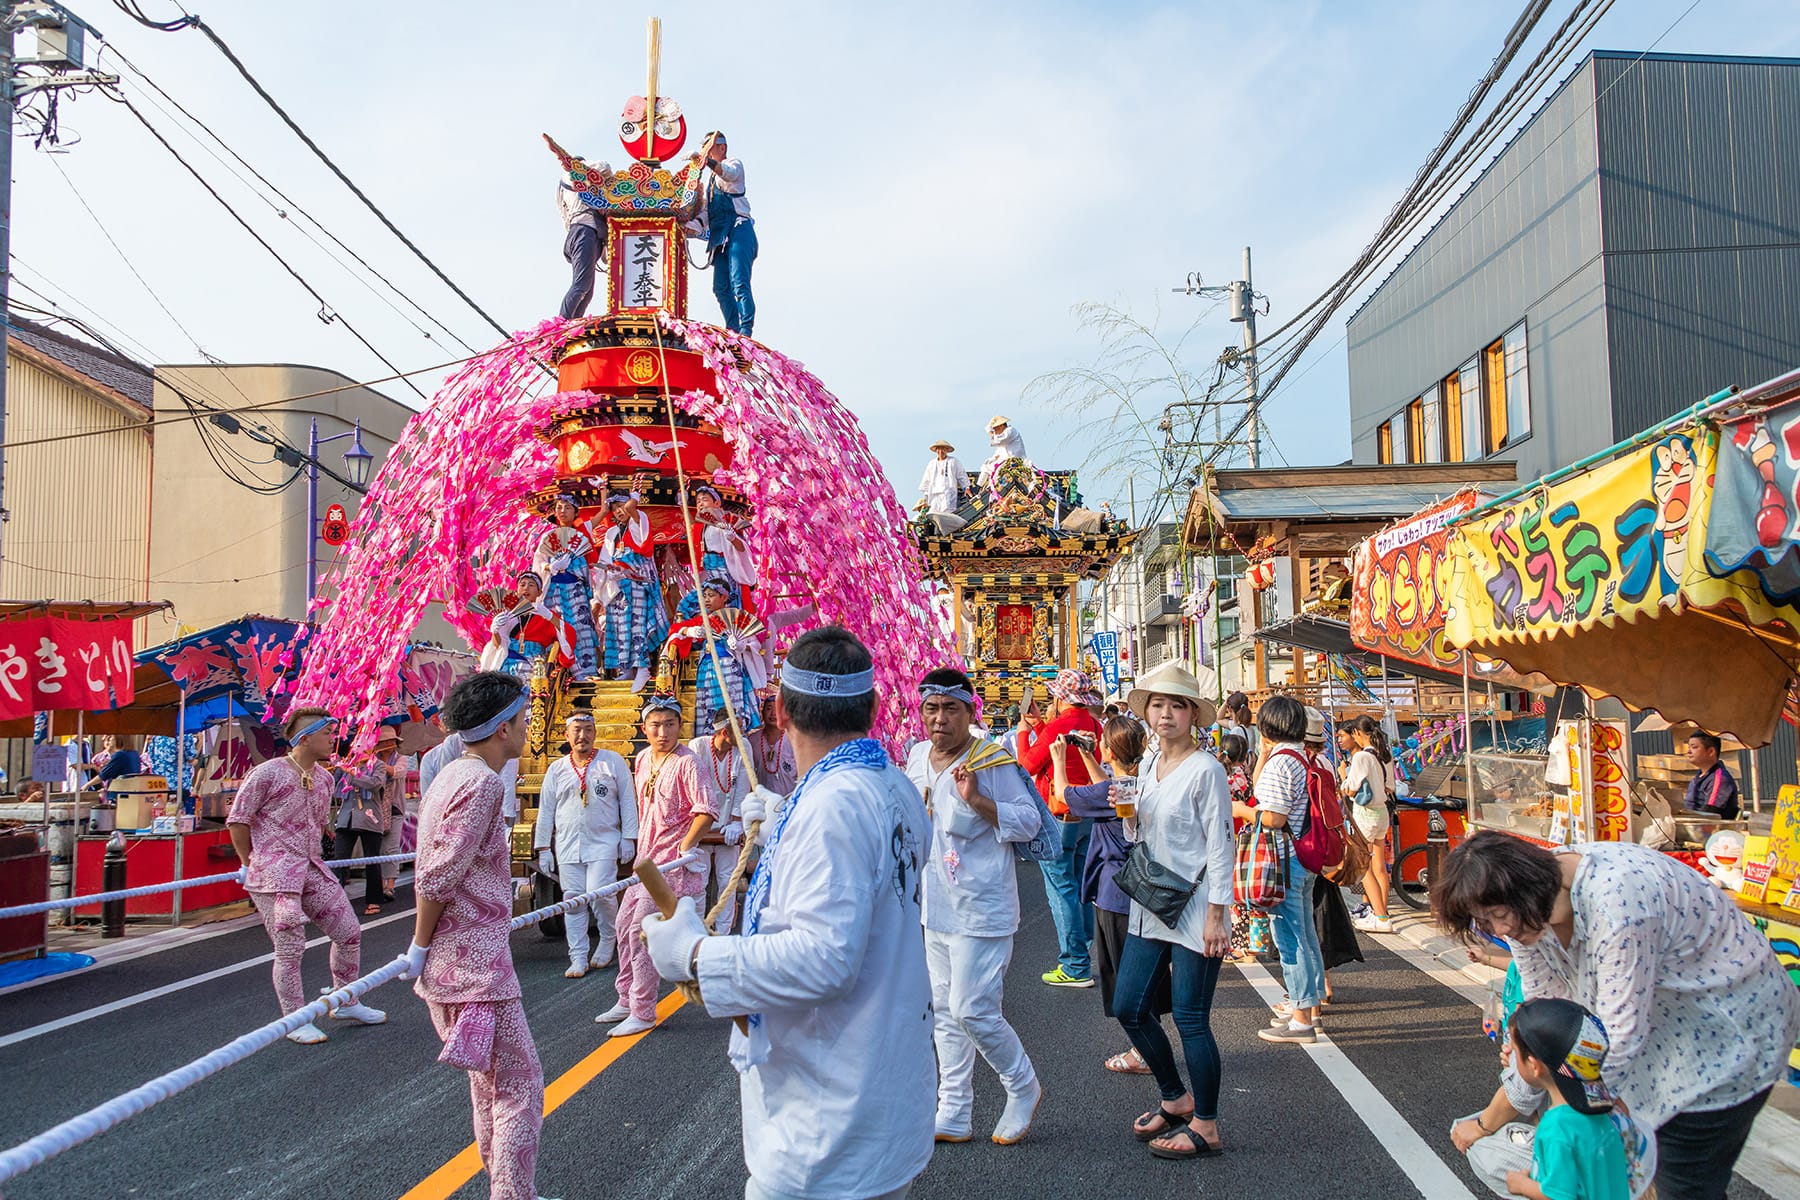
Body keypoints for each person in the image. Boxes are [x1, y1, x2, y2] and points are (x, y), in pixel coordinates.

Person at [639, 626, 936, 1200]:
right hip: (880, 1089)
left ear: (777, 709)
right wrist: (785, 820)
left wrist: (695, 955)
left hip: (829, 1120)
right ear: (873, 707)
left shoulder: (832, 804)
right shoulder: (893, 785)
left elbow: (825, 960)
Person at [1439, 832, 1800, 1200]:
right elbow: (1550, 1025)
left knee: (1684, 1174)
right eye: (1485, 922)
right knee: (1642, 1163)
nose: (1501, 932)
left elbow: (1613, 1040)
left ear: (1525, 887)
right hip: (1662, 1040)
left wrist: (1530, 1118)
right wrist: (1509, 1099)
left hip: (1724, 1039)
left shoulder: (1619, 903)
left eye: (1499, 917)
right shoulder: (1523, 904)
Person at [394, 671, 548, 1200]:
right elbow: (439, 874)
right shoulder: (481, 782)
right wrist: (417, 943)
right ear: (503, 727)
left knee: (490, 1090)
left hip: (456, 965)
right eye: (523, 718)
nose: (529, 726)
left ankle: (505, 1190)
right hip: (475, 967)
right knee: (520, 1087)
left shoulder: (450, 775)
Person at [904, 667, 1043, 1146]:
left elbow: (1027, 821)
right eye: (931, 708)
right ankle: (954, 1110)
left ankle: (1022, 1085)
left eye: (951, 709)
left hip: (983, 910)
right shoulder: (918, 757)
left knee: (972, 1010)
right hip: (935, 907)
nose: (940, 719)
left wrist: (978, 800)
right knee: (943, 1010)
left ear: (969, 713)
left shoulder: (990, 759)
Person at [1109, 662, 1233, 1161]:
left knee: (1190, 1017)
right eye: (1157, 705)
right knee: (1129, 1007)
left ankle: (1205, 1122)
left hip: (1197, 908)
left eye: (1175, 705)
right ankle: (1173, 1094)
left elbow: (1221, 847)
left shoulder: (1208, 770)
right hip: (1152, 902)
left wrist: (1218, 916)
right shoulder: (1144, 766)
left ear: (1192, 714)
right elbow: (1140, 837)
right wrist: (1131, 817)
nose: (1164, 714)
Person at [228, 708, 384, 1044]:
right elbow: (238, 820)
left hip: (312, 868)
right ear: (305, 737)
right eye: (327, 733)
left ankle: (346, 1000)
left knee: (349, 932)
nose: (333, 740)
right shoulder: (266, 774)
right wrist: (248, 862)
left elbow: (319, 822)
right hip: (274, 874)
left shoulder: (326, 778)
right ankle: (294, 1019)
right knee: (290, 946)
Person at [1054, 714, 1170, 1073]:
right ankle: (1147, 1045)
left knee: (1123, 976)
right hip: (1145, 888)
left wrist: (1061, 758)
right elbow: (1110, 784)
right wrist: (1090, 757)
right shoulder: (1141, 782)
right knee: (1146, 971)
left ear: (1108, 748)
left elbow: (1063, 795)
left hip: (1115, 892)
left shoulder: (1110, 792)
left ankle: (1143, 1052)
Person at [594, 695, 715, 1038]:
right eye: (656, 725)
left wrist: (685, 846)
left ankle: (643, 1009)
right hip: (643, 862)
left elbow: (706, 809)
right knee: (622, 926)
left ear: (680, 726)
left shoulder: (689, 763)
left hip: (669, 867)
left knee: (641, 933)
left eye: (670, 725)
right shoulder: (644, 757)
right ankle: (625, 997)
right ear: (644, 728)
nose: (663, 732)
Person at [1016, 669, 1105, 987]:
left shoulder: (1057, 726)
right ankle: (1083, 945)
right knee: (1079, 883)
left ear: (1059, 696)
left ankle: (1075, 964)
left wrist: (1023, 733)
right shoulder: (1092, 724)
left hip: (1058, 813)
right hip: (1086, 812)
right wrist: (1039, 725)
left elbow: (1026, 766)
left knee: (1060, 887)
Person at [534, 713, 637, 977]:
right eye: (577, 730)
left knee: (600, 892)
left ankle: (608, 937)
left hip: (604, 841)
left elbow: (627, 800)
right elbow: (546, 811)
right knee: (573, 900)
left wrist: (629, 837)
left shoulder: (611, 762)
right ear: (567, 735)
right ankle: (578, 956)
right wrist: (544, 847)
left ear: (595, 733)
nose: (583, 736)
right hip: (568, 845)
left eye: (588, 729)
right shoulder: (556, 769)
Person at [1252, 695, 1328, 1044]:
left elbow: (1273, 816)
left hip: (1285, 858)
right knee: (1306, 935)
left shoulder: (1283, 764)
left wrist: (1242, 811)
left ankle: (1301, 1017)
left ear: (1267, 726)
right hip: (1304, 855)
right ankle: (1309, 1008)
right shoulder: (1301, 756)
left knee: (1291, 938)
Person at [1502, 999, 1631, 1200]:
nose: (1509, 1053)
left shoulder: (1557, 1126)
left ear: (1534, 1066)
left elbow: (1559, 1196)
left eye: (1515, 1052)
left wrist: (1521, 1185)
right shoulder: (1605, 1109)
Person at [663, 579, 766, 735]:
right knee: (708, 711)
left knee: (732, 708)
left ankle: (733, 736)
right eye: (704, 596)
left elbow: (756, 645)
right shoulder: (704, 620)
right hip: (707, 668)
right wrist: (688, 631)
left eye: (711, 595)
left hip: (730, 670)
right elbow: (674, 629)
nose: (706, 600)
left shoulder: (736, 617)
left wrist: (741, 646)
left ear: (724, 597)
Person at [595, 492, 668, 692]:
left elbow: (643, 549)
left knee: (637, 627)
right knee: (618, 627)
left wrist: (634, 496)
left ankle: (642, 667)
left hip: (636, 585)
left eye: (623, 505)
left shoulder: (639, 521)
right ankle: (625, 669)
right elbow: (605, 559)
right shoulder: (611, 533)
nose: (620, 511)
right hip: (616, 586)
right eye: (615, 507)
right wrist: (604, 581)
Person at [689, 131, 757, 336]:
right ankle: (733, 329)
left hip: (739, 230)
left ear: (722, 148)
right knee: (720, 287)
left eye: (709, 149)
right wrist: (685, 228)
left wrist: (707, 162)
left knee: (739, 282)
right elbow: (705, 214)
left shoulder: (734, 165)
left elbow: (727, 173)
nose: (706, 154)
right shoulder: (710, 184)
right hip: (720, 238)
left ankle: (745, 329)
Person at [691, 712, 752, 934]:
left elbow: (745, 782)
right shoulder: (698, 747)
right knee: (698, 882)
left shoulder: (743, 746)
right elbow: (694, 787)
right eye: (739, 729)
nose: (743, 733)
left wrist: (737, 821)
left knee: (729, 882)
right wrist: (701, 826)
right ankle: (696, 933)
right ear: (725, 732)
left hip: (729, 827)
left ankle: (724, 933)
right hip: (700, 825)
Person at [534, 495, 605, 682]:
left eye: (567, 507)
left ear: (575, 512)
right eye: (559, 507)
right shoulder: (548, 537)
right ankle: (558, 670)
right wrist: (551, 567)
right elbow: (538, 563)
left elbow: (604, 511)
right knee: (556, 626)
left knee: (580, 627)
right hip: (554, 590)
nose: (562, 511)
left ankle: (587, 670)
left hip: (575, 589)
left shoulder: (580, 535)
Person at [333, 727, 402, 916]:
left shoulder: (378, 765)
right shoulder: (348, 764)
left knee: (372, 860)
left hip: (370, 817)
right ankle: (335, 902)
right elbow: (335, 788)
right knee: (340, 860)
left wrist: (353, 774)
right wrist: (339, 769)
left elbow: (375, 785)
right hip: (346, 817)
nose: (360, 750)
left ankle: (374, 900)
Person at [1340, 715, 1395, 933]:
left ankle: (1380, 917)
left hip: (1366, 814)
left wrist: (1343, 775)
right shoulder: (1384, 755)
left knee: (1364, 868)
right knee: (1379, 866)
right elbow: (1390, 786)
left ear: (1358, 734)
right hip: (1382, 813)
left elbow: (1350, 789)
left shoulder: (1362, 757)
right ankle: (1382, 911)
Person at [480, 571, 571, 679]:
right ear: (517, 590)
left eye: (531, 585)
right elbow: (498, 645)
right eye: (522, 585)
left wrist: (550, 617)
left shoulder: (546, 614)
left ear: (540, 592)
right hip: (507, 661)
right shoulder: (507, 614)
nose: (526, 588)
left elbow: (568, 635)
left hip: (534, 664)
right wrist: (495, 630)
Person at [557, 158, 610, 320]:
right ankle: (561, 323)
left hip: (584, 234)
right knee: (581, 285)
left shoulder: (565, 191)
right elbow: (604, 166)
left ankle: (572, 323)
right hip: (583, 233)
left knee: (587, 291)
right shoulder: (570, 175)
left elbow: (564, 216)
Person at [1682, 732, 1740, 819]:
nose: (1689, 751)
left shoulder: (1720, 778)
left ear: (1711, 751)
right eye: (1688, 747)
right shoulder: (1696, 779)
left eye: (1694, 747)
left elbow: (1710, 813)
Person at [748, 692, 796, 795]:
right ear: (762, 712)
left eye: (778, 709)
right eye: (769, 708)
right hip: (761, 802)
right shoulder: (752, 740)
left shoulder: (793, 738)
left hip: (788, 802)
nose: (773, 713)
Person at [918, 439, 969, 517]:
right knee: (933, 513)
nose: (941, 451)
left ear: (947, 450)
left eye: (943, 449)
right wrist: (926, 495)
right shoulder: (932, 464)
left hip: (948, 492)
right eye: (939, 449)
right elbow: (927, 480)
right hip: (934, 493)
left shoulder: (953, 461)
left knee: (947, 513)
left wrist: (966, 487)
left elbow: (961, 475)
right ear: (936, 451)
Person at [979, 415, 1028, 484]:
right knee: (986, 466)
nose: (994, 431)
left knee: (993, 470)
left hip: (1014, 461)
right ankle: (978, 488)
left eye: (995, 428)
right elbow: (998, 453)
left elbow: (998, 440)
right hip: (1004, 461)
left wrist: (990, 433)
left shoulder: (1010, 431)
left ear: (1001, 426)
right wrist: (991, 459)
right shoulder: (1004, 438)